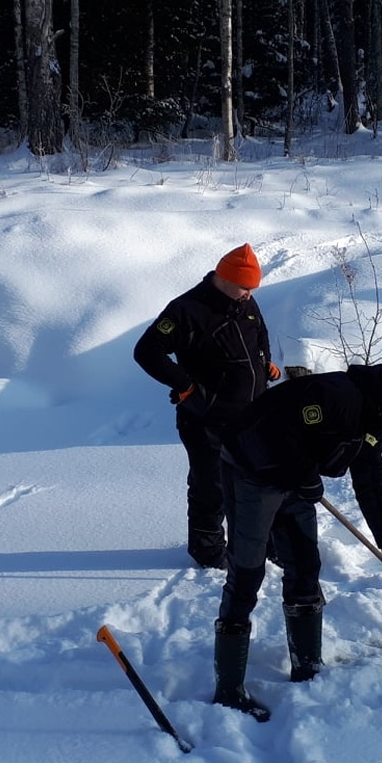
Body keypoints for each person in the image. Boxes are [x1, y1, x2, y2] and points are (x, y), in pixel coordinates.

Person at [210, 362, 382, 721]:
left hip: (292, 478)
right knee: (246, 573)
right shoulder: (338, 397)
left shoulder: (375, 419)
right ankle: (228, 690)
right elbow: (274, 430)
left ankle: (307, 669)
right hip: (249, 469)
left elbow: (370, 487)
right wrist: (302, 475)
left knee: (306, 567)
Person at [133, 243, 281, 569]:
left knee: (258, 482)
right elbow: (146, 352)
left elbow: (259, 333)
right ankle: (208, 552)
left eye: (253, 288)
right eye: (245, 287)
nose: (250, 294)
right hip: (206, 419)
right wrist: (186, 387)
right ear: (224, 278)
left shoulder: (244, 299)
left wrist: (264, 364)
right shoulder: (186, 310)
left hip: (250, 415)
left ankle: (263, 542)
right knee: (211, 486)